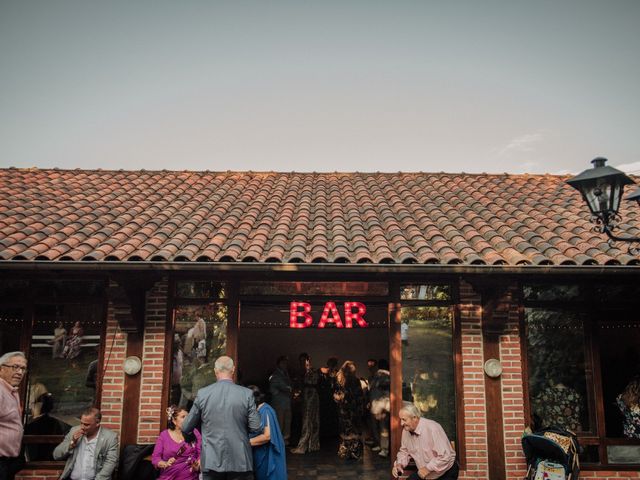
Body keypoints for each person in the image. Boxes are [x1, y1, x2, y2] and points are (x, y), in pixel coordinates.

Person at [182, 355, 262, 480]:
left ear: (215, 371)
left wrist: (193, 439)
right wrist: (241, 430)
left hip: (211, 460)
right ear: (233, 369)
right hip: (240, 460)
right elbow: (256, 427)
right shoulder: (246, 394)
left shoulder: (203, 394)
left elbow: (186, 427)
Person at [392, 403, 458, 480]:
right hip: (426, 473)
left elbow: (445, 456)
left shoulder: (433, 428)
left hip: (445, 472)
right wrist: (400, 464)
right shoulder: (406, 431)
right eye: (400, 419)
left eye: (404, 420)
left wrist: (427, 468)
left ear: (414, 418)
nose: (401, 423)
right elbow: (404, 451)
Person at [53, 407, 119, 480]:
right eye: (81, 423)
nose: (82, 427)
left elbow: (110, 463)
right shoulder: (74, 431)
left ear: (97, 423)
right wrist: (71, 444)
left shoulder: (110, 437)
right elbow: (56, 455)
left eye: (86, 424)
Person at [248, 385, 287, 480]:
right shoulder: (256, 410)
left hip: (268, 454)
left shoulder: (265, 411)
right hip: (260, 452)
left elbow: (267, 436)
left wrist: (245, 443)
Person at [152, 405, 201, 479]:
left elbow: (201, 453)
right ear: (174, 421)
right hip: (168, 476)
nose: (188, 419)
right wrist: (165, 464)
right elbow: (155, 458)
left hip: (190, 476)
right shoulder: (164, 435)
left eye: (188, 416)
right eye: (183, 417)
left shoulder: (194, 432)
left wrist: (197, 466)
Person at [0, 351, 28, 480]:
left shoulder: (11, 390)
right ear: (1, 369)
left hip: (9, 462)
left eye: (23, 368)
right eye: (15, 367)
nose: (20, 372)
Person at [333, 360, 365, 460]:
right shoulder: (342, 380)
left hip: (350, 410)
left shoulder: (352, 380)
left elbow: (359, 396)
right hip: (347, 410)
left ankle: (349, 452)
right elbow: (336, 394)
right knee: (349, 430)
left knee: (349, 430)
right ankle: (351, 452)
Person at [24, 393, 71, 461]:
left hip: (38, 461)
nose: (31, 407)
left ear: (39, 405)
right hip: (52, 459)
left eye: (33, 404)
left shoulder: (33, 424)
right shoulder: (56, 422)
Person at [290, 353, 320, 454]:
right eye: (301, 361)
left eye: (304, 360)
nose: (303, 363)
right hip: (305, 396)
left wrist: (308, 369)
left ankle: (307, 446)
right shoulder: (300, 372)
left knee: (310, 420)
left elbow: (312, 381)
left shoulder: (312, 371)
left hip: (311, 396)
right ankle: (309, 445)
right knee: (307, 420)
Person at [268, 356, 292, 446]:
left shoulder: (286, 374)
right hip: (279, 402)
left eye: (286, 363)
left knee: (287, 420)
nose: (285, 365)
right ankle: (278, 441)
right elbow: (274, 388)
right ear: (279, 364)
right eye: (283, 363)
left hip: (286, 401)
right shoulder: (275, 374)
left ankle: (285, 439)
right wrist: (287, 389)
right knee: (279, 420)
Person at [369, 359, 391, 458]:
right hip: (379, 405)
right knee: (381, 427)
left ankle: (384, 448)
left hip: (381, 406)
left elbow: (384, 393)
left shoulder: (383, 376)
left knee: (383, 428)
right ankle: (381, 446)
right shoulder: (381, 376)